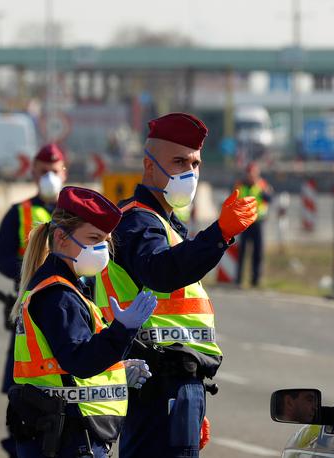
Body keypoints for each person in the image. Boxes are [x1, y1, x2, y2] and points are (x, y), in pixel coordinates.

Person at [93, 112, 258, 457]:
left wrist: (191, 397)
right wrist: (220, 233)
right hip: (156, 381)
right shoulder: (138, 221)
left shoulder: (163, 223)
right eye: (179, 161)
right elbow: (161, 273)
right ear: (149, 166)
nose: (190, 172)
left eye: (196, 163)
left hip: (177, 384)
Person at [7, 186, 157, 458]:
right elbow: (80, 360)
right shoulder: (58, 295)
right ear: (62, 239)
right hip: (67, 438)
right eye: (94, 238)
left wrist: (117, 371)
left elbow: (64, 364)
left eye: (105, 240)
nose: (102, 248)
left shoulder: (64, 288)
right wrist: (122, 331)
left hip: (65, 431)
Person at [0, 143, 68, 456]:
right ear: (33, 172)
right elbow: (2, 258)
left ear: (64, 172)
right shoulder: (19, 212)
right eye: (43, 171)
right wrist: (37, 275)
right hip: (28, 312)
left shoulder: (75, 213)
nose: (49, 176)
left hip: (68, 311)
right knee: (23, 395)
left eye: (55, 171)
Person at [235, 161, 272, 288]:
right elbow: (235, 200)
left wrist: (265, 192)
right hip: (244, 223)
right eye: (249, 173)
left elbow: (269, 199)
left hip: (258, 222)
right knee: (241, 252)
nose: (251, 176)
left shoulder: (262, 185)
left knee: (257, 252)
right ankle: (238, 279)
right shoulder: (240, 185)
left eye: (253, 173)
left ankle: (255, 280)